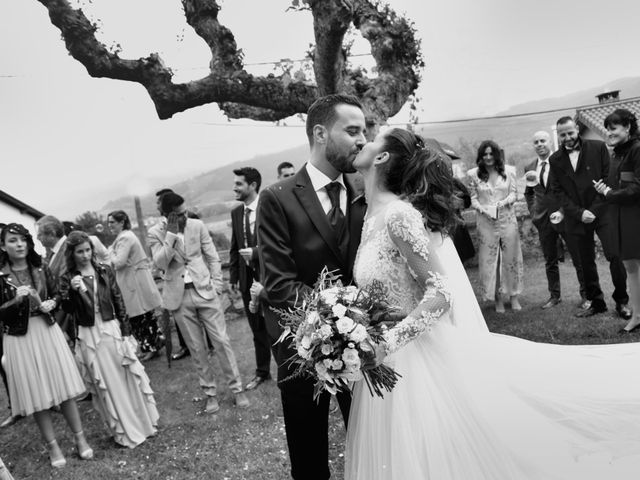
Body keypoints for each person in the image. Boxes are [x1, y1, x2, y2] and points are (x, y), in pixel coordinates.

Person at [345, 128, 640, 480]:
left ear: (381, 158)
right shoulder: (370, 216)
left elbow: (441, 293)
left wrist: (387, 342)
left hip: (410, 359)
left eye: (372, 138)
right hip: (382, 363)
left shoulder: (399, 215)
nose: (364, 140)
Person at [257, 93, 367, 480]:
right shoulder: (277, 198)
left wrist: (360, 330)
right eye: (352, 130)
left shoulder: (364, 191)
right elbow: (280, 283)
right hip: (300, 349)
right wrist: (339, 320)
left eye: (365, 131)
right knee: (309, 459)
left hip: (365, 347)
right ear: (320, 133)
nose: (362, 140)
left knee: (373, 442)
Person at [0, 224, 92, 468]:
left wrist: (53, 302)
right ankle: (53, 447)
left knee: (64, 387)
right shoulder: (0, 276)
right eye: (12, 240)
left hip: (47, 330)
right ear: (2, 246)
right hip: (19, 338)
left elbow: (58, 294)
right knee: (36, 393)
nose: (19, 244)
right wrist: (16, 300)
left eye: (23, 239)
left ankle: (80, 439)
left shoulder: (40, 267)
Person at [148, 192, 249, 414]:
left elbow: (212, 256)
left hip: (205, 291)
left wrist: (217, 285)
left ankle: (238, 389)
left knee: (222, 342)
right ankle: (210, 394)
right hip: (179, 297)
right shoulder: (155, 233)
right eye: (180, 214)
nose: (186, 215)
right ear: (168, 215)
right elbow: (161, 262)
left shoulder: (197, 225)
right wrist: (172, 235)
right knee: (196, 348)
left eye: (185, 212)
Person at [60, 231, 159, 447]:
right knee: (107, 381)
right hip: (89, 334)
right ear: (72, 254)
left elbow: (118, 300)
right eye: (80, 251)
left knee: (127, 375)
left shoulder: (104, 270)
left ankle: (144, 424)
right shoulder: (67, 278)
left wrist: (125, 331)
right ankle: (123, 430)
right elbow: (67, 309)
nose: (85, 255)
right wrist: (72, 292)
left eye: (88, 250)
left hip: (110, 328)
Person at [549, 117, 631, 319]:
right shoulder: (555, 159)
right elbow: (558, 191)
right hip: (577, 216)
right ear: (558, 135)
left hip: (603, 211)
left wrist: (593, 210)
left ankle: (622, 301)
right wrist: (578, 213)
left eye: (570, 132)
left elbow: (608, 178)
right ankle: (597, 302)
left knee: (615, 256)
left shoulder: (598, 147)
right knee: (585, 262)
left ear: (576, 129)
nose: (567, 137)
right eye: (563, 134)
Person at [524, 131, 587, 309]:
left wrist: (564, 211)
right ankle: (554, 296)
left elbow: (572, 189)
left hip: (565, 216)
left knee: (577, 257)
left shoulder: (562, 161)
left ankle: (586, 295)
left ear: (550, 141)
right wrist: (533, 211)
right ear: (533, 145)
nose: (540, 144)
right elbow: (529, 193)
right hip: (543, 220)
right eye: (536, 142)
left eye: (543, 140)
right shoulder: (529, 166)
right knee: (549, 259)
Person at [593, 109, 640, 331]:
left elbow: (637, 188)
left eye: (613, 128)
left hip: (636, 216)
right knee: (630, 267)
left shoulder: (637, 149)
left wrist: (610, 194)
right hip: (620, 217)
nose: (609, 133)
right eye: (607, 129)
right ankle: (637, 316)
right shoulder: (617, 153)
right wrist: (606, 189)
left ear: (628, 127)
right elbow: (620, 184)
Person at [467, 140, 524, 312]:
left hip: (507, 220)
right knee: (491, 261)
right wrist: (482, 209)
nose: (488, 157)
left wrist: (504, 202)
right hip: (486, 223)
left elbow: (515, 193)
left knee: (511, 258)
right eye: (485, 154)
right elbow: (473, 198)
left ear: (497, 155)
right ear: (480, 156)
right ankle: (497, 298)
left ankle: (514, 296)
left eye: (491, 154)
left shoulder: (510, 171)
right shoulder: (473, 174)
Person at [229, 167, 272, 390]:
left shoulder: (269, 206)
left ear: (253, 185)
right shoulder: (236, 213)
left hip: (270, 278)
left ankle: (294, 366)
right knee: (257, 330)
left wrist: (256, 252)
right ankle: (262, 372)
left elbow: (277, 244)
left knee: (279, 324)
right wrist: (234, 278)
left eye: (239, 184)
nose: (234, 188)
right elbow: (234, 246)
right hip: (247, 281)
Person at [107, 210, 163, 362]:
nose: (109, 225)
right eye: (109, 222)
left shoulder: (125, 238)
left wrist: (110, 253)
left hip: (133, 282)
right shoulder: (125, 236)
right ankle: (151, 345)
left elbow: (119, 262)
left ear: (121, 222)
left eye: (112, 222)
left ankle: (152, 347)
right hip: (133, 280)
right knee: (141, 316)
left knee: (141, 316)